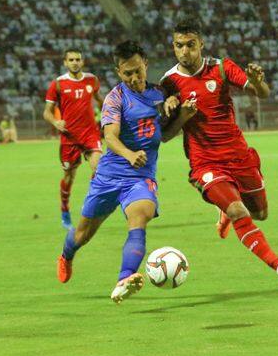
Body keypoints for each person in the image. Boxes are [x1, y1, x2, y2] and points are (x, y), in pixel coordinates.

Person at [160, 21, 278, 287]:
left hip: (238, 156)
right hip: (205, 162)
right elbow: (165, 135)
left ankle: (225, 210)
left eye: (190, 45)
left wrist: (259, 82)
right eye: (179, 46)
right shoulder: (169, 82)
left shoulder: (222, 68)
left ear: (201, 45)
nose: (185, 51)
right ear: (173, 47)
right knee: (240, 212)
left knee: (260, 214)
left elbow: (262, 93)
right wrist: (181, 114)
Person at [57, 40, 196, 303]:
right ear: (119, 73)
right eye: (127, 73)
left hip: (141, 177)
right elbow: (110, 136)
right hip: (109, 176)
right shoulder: (115, 98)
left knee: (139, 218)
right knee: (82, 234)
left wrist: (182, 117)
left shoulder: (159, 94)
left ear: (145, 64)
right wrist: (129, 154)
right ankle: (66, 255)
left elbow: (164, 136)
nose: (133, 78)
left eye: (137, 71)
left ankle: (125, 278)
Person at [43, 48, 105, 229]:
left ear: (82, 61)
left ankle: (90, 207)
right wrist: (55, 122)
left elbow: (100, 100)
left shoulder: (92, 80)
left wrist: (106, 114)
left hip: (90, 133)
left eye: (78, 59)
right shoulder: (58, 84)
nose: (75, 62)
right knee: (69, 175)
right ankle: (65, 209)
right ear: (65, 62)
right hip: (69, 137)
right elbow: (46, 112)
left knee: (99, 169)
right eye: (71, 60)